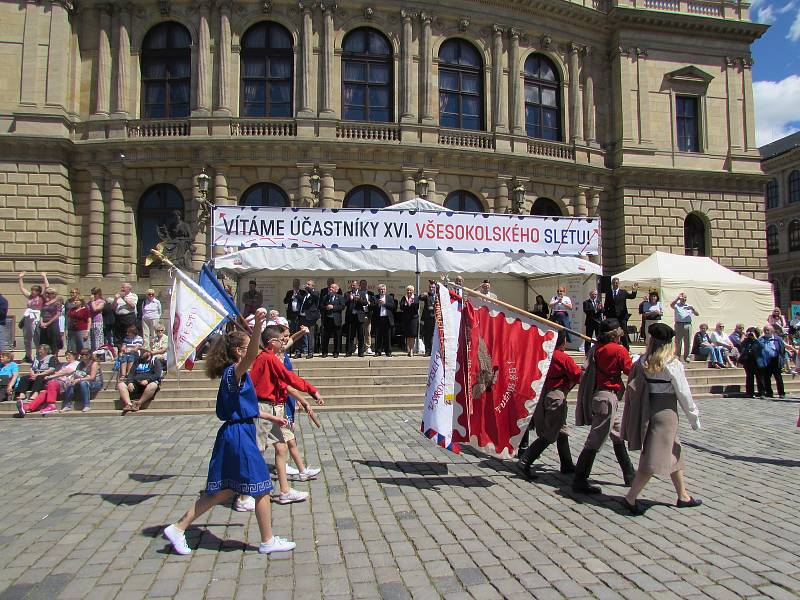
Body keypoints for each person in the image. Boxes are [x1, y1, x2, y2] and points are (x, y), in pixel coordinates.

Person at [162, 310, 296, 556]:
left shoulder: (234, 375)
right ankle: (267, 541)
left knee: (224, 489)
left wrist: (270, 416)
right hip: (239, 436)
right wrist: (259, 324)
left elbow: (241, 407)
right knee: (262, 488)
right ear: (239, 352)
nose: (252, 353)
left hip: (237, 430)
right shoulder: (235, 372)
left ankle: (178, 527)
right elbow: (255, 352)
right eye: (247, 348)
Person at [620, 323, 702, 515]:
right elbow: (683, 393)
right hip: (666, 411)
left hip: (649, 406)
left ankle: (683, 495)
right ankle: (631, 497)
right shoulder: (672, 364)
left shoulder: (643, 361)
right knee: (653, 458)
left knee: (674, 450)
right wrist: (693, 417)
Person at [250, 324, 325, 504]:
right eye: (282, 339)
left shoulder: (271, 356)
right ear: (272, 342)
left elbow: (283, 383)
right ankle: (245, 493)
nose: (285, 341)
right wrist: (312, 391)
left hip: (274, 406)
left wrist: (304, 399)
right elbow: (288, 377)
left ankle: (284, 491)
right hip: (264, 408)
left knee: (282, 447)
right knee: (257, 452)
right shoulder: (268, 358)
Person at [572, 319, 635, 495]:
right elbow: (630, 370)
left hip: (602, 395)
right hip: (607, 397)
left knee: (617, 434)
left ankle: (629, 474)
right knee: (594, 440)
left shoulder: (597, 348)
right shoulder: (618, 350)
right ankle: (579, 479)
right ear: (615, 334)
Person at [517, 331, 581, 478]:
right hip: (555, 395)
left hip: (543, 394)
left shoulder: (543, 354)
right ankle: (525, 460)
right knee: (551, 433)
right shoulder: (562, 357)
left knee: (561, 431)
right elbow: (577, 375)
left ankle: (566, 463)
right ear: (563, 341)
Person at [18, 350, 80, 416]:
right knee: (44, 393)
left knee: (52, 383)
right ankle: (27, 408)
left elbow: (67, 372)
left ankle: (52, 405)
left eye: (69, 355)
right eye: (66, 355)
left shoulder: (76, 363)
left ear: (74, 356)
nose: (67, 357)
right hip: (57, 384)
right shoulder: (64, 364)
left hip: (65, 384)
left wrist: (52, 376)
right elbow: (58, 372)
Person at [119, 349, 164, 413]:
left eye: (143, 352)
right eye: (140, 352)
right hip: (136, 383)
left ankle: (138, 403)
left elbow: (157, 374)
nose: (141, 354)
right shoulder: (137, 361)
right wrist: (130, 382)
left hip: (148, 384)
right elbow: (131, 373)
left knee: (153, 385)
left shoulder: (155, 361)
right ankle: (128, 404)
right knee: (121, 385)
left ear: (148, 353)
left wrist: (148, 380)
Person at [18, 271, 48, 362]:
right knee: (27, 337)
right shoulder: (30, 297)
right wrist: (20, 278)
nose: (33, 292)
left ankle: (38, 355)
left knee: (36, 337)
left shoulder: (42, 297)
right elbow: (22, 288)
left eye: (35, 290)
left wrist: (44, 277)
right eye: (32, 290)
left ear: (38, 291)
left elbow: (47, 287)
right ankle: (28, 355)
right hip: (28, 317)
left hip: (37, 316)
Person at [603, 278, 638, 349]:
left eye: (616, 283)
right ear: (612, 284)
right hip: (612, 317)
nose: (615, 284)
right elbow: (606, 305)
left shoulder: (623, 292)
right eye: (614, 283)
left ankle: (626, 349)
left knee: (624, 333)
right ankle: (612, 348)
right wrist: (605, 315)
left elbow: (632, 296)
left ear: (619, 284)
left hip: (622, 317)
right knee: (612, 333)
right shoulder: (609, 293)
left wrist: (634, 290)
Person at [757, 325, 786, 399]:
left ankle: (781, 393)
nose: (766, 332)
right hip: (765, 361)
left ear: (772, 331)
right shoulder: (761, 339)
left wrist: (782, 360)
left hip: (775, 360)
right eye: (765, 330)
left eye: (768, 330)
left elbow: (782, 350)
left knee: (778, 377)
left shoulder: (778, 339)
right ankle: (769, 392)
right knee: (766, 378)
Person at [670, 292, 699, 362]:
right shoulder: (677, 305)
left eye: (685, 297)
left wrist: (693, 309)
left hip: (688, 324)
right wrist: (677, 298)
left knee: (687, 341)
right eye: (683, 297)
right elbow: (671, 305)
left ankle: (687, 356)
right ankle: (677, 355)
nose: (684, 299)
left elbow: (697, 314)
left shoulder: (689, 306)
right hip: (679, 324)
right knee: (678, 341)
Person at [345, 280, 370, 357]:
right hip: (351, 317)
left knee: (360, 335)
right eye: (352, 285)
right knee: (350, 336)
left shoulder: (362, 293)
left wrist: (359, 299)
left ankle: (361, 352)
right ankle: (349, 352)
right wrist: (351, 299)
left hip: (360, 317)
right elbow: (344, 303)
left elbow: (365, 303)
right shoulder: (347, 294)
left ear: (358, 286)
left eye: (354, 285)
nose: (352, 287)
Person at [320, 283, 345, 358]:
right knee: (325, 337)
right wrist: (326, 307)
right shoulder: (325, 297)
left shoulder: (340, 297)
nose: (330, 289)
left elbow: (342, 307)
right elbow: (321, 306)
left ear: (336, 290)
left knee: (337, 336)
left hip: (336, 320)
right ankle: (324, 352)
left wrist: (333, 307)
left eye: (332, 288)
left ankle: (336, 352)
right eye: (330, 287)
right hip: (327, 319)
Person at [296, 280, 320, 359]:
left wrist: (308, 289)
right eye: (306, 284)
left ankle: (310, 352)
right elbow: (304, 303)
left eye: (309, 284)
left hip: (310, 318)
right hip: (302, 317)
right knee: (300, 334)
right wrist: (297, 295)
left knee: (310, 335)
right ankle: (298, 352)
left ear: (313, 286)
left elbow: (315, 297)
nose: (307, 285)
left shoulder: (315, 293)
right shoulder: (306, 294)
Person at [38, 288, 64, 360]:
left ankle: (54, 358)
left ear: (54, 294)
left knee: (54, 342)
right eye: (46, 293)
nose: (47, 295)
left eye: (49, 293)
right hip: (44, 324)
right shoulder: (44, 303)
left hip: (53, 324)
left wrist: (48, 323)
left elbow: (58, 314)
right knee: (44, 342)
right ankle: (44, 357)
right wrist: (42, 322)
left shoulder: (57, 302)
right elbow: (41, 313)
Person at [739, 327, 764, 398]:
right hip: (748, 361)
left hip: (757, 361)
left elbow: (762, 347)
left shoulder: (759, 340)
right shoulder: (746, 341)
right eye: (750, 333)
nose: (751, 335)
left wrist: (755, 339)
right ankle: (750, 392)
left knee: (760, 378)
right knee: (749, 377)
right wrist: (744, 337)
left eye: (752, 333)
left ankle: (761, 392)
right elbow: (742, 348)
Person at [373, 283, 396, 357]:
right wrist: (378, 305)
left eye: (384, 289)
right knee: (378, 336)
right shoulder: (375, 297)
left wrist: (384, 304)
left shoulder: (389, 297)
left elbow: (393, 307)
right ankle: (378, 351)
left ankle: (388, 351)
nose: (382, 291)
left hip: (387, 319)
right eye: (381, 289)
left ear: (386, 290)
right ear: (378, 290)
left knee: (387, 336)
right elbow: (371, 307)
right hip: (378, 319)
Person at [399, 285, 420, 356]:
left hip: (414, 319)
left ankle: (411, 350)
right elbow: (401, 307)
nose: (409, 292)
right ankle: (408, 349)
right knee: (407, 335)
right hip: (406, 318)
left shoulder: (416, 297)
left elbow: (416, 306)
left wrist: (410, 302)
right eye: (408, 290)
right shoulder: (404, 298)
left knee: (412, 335)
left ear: (413, 291)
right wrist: (406, 303)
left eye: (410, 290)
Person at [419, 281, 438, 357]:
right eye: (430, 287)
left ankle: (436, 351)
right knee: (427, 336)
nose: (431, 288)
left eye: (433, 287)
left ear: (435, 288)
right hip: (428, 319)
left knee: (436, 336)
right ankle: (428, 351)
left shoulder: (438, 296)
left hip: (437, 319)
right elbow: (420, 298)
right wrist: (423, 294)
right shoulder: (427, 295)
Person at [582, 290, 603, 355]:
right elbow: (586, 310)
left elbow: (603, 310)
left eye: (595, 294)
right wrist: (594, 308)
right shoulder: (586, 302)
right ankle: (587, 352)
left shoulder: (598, 302)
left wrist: (600, 308)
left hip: (598, 322)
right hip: (590, 322)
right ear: (590, 295)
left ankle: (599, 350)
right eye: (593, 294)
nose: (594, 296)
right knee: (588, 338)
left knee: (599, 337)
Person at [359, 280, 375, 355]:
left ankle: (368, 347)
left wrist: (370, 303)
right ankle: (357, 347)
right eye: (362, 284)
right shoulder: (358, 293)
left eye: (365, 284)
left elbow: (374, 303)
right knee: (359, 332)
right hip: (360, 314)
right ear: (360, 285)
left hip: (368, 314)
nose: (363, 286)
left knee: (368, 331)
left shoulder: (371, 294)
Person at [63, 287, 80, 352]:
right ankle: (70, 351)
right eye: (71, 292)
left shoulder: (80, 301)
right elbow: (66, 313)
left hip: (78, 322)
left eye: (73, 292)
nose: (72, 294)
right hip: (69, 321)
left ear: (77, 293)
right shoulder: (68, 301)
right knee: (69, 337)